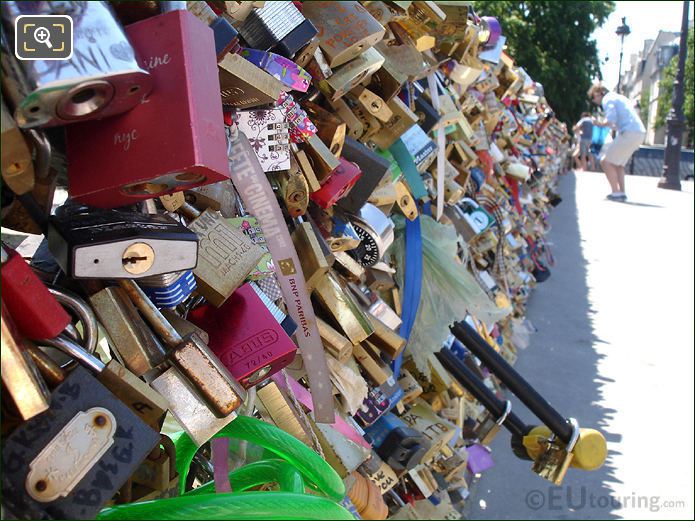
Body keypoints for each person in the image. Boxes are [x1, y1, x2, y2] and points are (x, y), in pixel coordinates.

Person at [588, 83, 646, 201]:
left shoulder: (607, 99)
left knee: (605, 161)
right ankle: (622, 192)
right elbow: (616, 124)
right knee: (618, 164)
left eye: (593, 97)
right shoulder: (619, 97)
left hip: (629, 132)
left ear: (599, 93)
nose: (594, 101)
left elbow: (611, 120)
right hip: (639, 132)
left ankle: (615, 192)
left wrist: (598, 123)